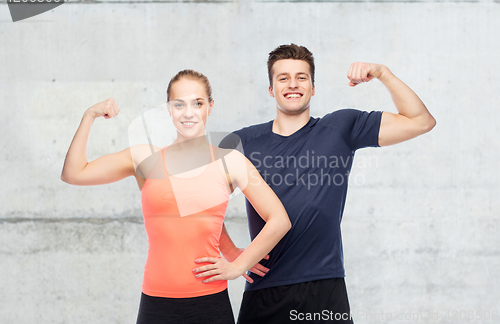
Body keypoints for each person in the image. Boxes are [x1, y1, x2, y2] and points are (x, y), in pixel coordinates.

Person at [211, 44, 436, 323]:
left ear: (313, 87)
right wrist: (232, 252)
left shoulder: (340, 127)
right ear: (271, 89)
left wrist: (383, 73)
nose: (293, 84)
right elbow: (202, 203)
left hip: (325, 288)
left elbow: (420, 121)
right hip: (264, 289)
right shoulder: (241, 143)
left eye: (302, 77)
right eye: (283, 78)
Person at [61, 69, 291, 324]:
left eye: (198, 103)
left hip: (210, 304)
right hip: (156, 304)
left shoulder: (230, 161)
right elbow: (73, 173)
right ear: (168, 109)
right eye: (179, 104)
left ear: (210, 107)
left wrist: (237, 264)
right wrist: (89, 116)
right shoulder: (144, 158)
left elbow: (279, 219)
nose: (189, 112)